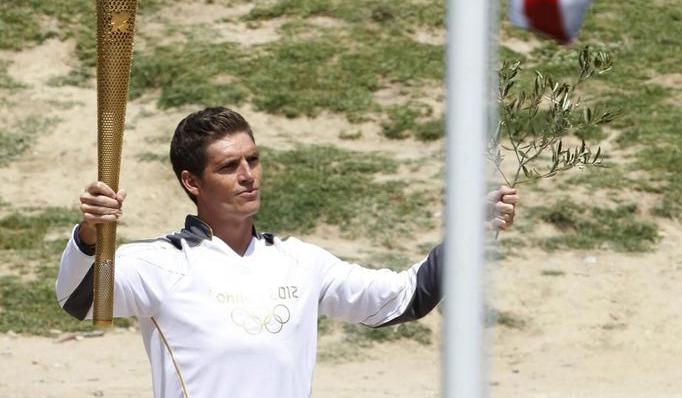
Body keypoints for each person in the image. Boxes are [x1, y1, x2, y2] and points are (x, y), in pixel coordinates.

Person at [56, 106, 518, 398]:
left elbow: (404, 297)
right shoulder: (160, 263)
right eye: (229, 166)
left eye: (253, 160)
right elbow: (78, 300)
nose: (248, 175)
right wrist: (91, 234)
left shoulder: (301, 261)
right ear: (191, 182)